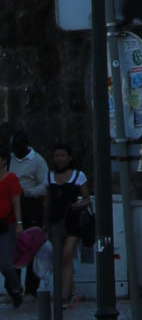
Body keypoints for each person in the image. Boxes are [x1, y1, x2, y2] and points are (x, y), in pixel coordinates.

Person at [47, 144, 90, 309]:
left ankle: (63, 296)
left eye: (62, 155)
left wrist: (79, 204)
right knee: (60, 259)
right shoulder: (49, 176)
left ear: (69, 157)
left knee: (66, 255)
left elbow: (86, 197)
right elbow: (47, 201)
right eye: (56, 155)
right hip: (56, 221)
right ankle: (72, 292)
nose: (59, 158)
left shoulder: (79, 175)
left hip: (73, 220)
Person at [8, 129, 47, 296]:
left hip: (30, 205)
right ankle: (13, 289)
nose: (16, 150)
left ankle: (31, 289)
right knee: (11, 248)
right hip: (11, 207)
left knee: (31, 247)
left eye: (18, 147)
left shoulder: (37, 161)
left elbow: (45, 185)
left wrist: (28, 192)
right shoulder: (9, 161)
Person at [0, 149, 22, 308]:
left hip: (6, 223)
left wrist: (19, 223)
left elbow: (16, 202)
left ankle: (15, 288)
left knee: (5, 263)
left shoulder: (11, 179)